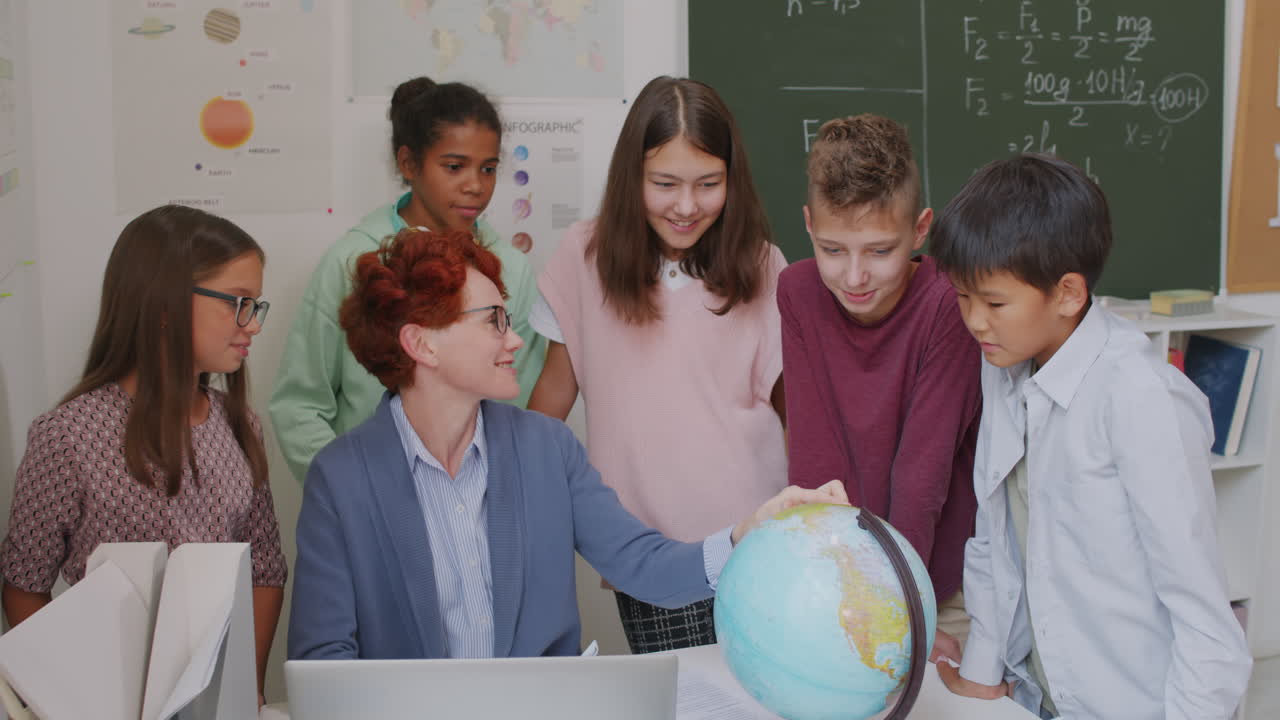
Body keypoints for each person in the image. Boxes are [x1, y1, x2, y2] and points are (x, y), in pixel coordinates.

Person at [286, 229, 844, 660]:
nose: (513, 340)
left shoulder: (547, 448)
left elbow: (644, 565)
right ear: (421, 344)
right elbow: (323, 658)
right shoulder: (342, 478)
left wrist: (748, 531)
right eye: (494, 321)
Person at [931, 154, 1252, 719]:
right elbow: (994, 534)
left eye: (994, 302)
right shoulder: (1005, 361)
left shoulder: (1140, 399)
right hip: (1040, 695)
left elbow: (1204, 618)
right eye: (963, 298)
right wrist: (983, 670)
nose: (975, 321)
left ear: (1068, 294)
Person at [526, 76, 788, 653]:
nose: (687, 205)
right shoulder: (583, 257)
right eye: (665, 183)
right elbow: (549, 406)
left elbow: (791, 409)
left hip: (761, 541)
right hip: (649, 553)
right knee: (689, 702)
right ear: (631, 178)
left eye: (709, 184)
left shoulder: (762, 264)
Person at [0, 205, 288, 705]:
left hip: (216, 693)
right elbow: (24, 580)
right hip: (108, 695)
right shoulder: (68, 435)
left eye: (256, 305)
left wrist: (249, 691)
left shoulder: (242, 427)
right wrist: (65, 694)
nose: (253, 325)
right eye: (238, 302)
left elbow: (265, 570)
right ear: (164, 304)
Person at [270, 76, 546, 483]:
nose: (475, 185)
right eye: (454, 167)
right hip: (373, 494)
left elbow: (518, 398)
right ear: (408, 164)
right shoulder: (353, 262)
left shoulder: (510, 268)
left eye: (488, 169)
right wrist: (348, 493)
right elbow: (300, 405)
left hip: (476, 496)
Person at [779, 114, 981, 662]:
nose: (854, 276)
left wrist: (901, 612)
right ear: (808, 225)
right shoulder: (797, 292)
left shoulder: (948, 302)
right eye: (833, 249)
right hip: (840, 580)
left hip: (935, 587)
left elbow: (922, 476)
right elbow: (815, 460)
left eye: (879, 251)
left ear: (920, 230)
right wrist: (835, 589)